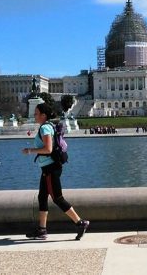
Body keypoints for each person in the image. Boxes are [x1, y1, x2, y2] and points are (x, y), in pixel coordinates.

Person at [22, 103, 89, 240]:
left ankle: (80, 223)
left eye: (36, 113)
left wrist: (30, 151)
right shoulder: (48, 126)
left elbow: (48, 149)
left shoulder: (45, 128)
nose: (34, 115)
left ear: (43, 115)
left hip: (51, 168)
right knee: (42, 197)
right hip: (49, 168)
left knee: (57, 198)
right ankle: (42, 229)